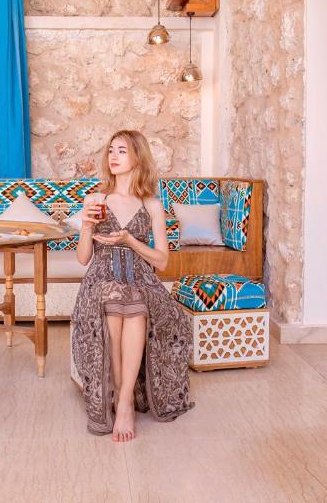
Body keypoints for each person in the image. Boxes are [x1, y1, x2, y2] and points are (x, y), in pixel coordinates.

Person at [71, 129, 193, 441]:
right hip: (101, 276)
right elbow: (83, 258)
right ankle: (118, 391)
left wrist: (130, 241)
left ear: (138, 157)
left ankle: (124, 400)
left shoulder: (151, 205)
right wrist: (86, 226)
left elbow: (161, 261)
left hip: (140, 277)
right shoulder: (95, 200)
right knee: (114, 298)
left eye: (122, 151)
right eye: (111, 150)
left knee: (135, 297)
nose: (113, 156)